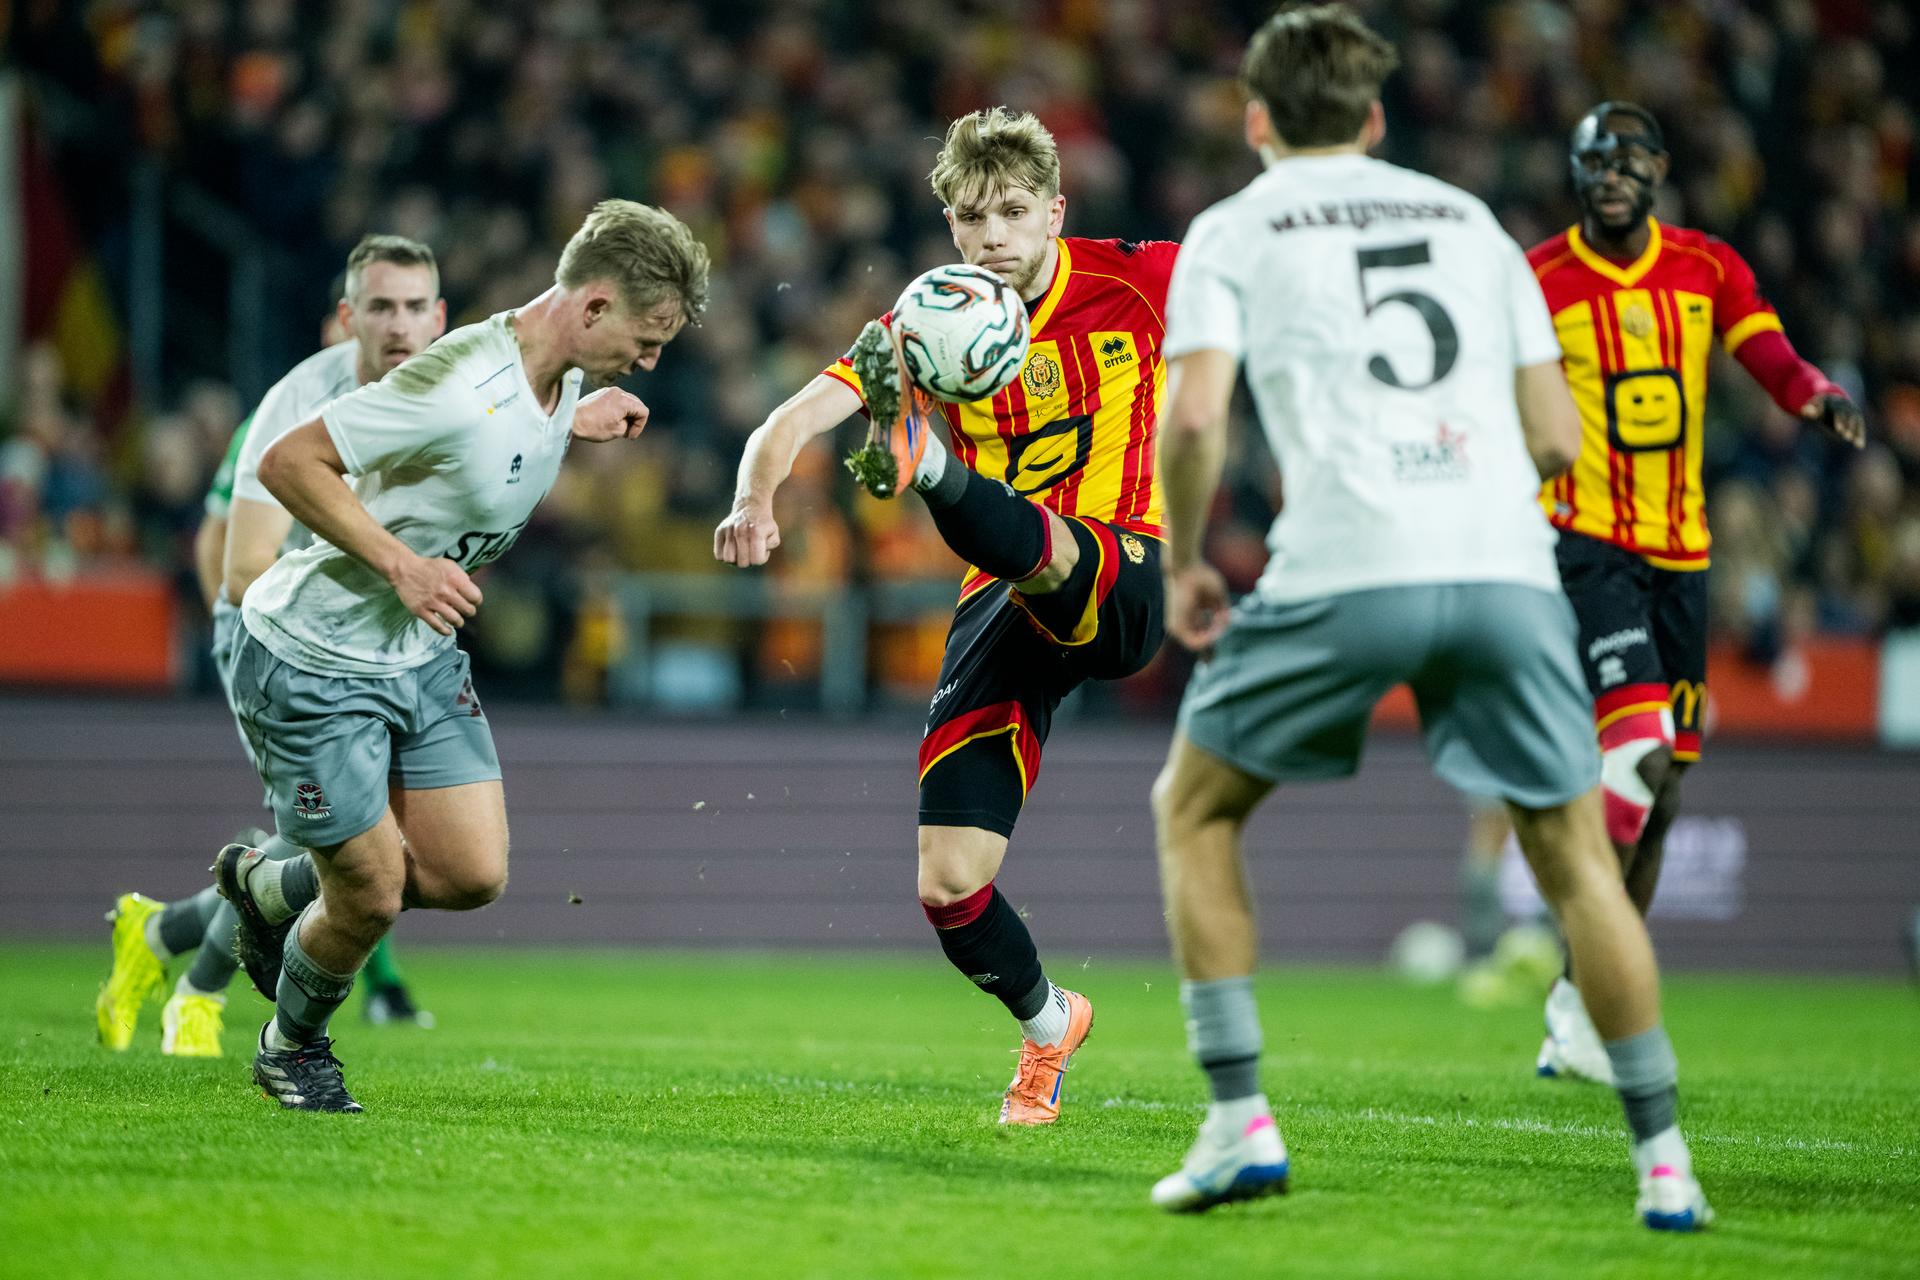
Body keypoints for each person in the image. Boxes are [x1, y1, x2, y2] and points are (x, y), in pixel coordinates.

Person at [1145, 5, 1710, 1229]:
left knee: (1192, 805)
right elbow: (1561, 439)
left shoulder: (1232, 228)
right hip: (1507, 566)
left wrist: (1190, 562)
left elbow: (1192, 422)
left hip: (1345, 561)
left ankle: (1241, 1119)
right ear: (1377, 117)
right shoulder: (1472, 225)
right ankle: (1666, 1160)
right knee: (1574, 858)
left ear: (1256, 120)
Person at [715, 107, 1174, 1124]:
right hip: (1003, 594)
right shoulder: (926, 324)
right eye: (974, 217)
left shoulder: (1139, 280)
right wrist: (755, 497)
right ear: (951, 225)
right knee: (948, 883)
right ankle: (1052, 1025)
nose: (996, 236)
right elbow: (788, 420)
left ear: (1056, 210)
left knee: (1052, 545)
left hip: (1124, 564)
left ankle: (928, 466)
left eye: (1015, 211)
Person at [212, 200, 709, 1111]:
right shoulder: (455, 380)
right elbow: (290, 463)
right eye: (647, 337)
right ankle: (292, 1046)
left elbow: (498, 445)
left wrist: (572, 423)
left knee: (471, 875)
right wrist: (401, 564)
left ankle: (271, 888)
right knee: (369, 895)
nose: (651, 360)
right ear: (593, 308)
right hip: (314, 655)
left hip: (418, 653)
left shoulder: (550, 380)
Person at [1528, 101, 1865, 1083]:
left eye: (1632, 158)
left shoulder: (1707, 263)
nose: (1616, 173)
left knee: (1665, 784)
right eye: (1599, 159)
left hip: (1681, 550)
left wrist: (1812, 392)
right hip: (1586, 540)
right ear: (1580, 174)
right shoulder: (1540, 275)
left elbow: (1763, 345)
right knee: (1633, 749)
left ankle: (1579, 996)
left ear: (1662, 171)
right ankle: (1579, 998)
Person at [95, 235, 447, 1057]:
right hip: (268, 632)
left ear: (439, 321)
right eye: (378, 309)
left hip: (362, 641)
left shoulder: (431, 405)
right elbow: (228, 555)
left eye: (411, 310)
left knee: (342, 838)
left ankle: (159, 938)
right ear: (342, 321)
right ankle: (198, 993)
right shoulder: (288, 413)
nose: (395, 328)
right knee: (328, 839)